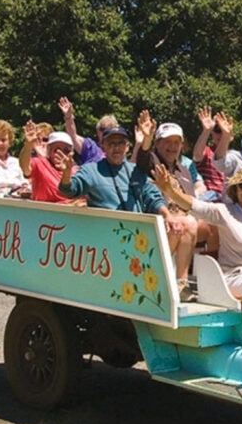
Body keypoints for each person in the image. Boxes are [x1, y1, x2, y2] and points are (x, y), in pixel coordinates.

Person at [58, 126, 195, 302]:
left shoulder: (134, 171)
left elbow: (152, 197)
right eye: (111, 143)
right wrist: (67, 174)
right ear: (103, 147)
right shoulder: (91, 170)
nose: (117, 148)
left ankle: (180, 284)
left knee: (187, 224)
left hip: (139, 235)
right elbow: (70, 190)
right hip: (110, 239)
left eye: (121, 143)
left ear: (128, 147)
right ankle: (153, 283)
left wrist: (167, 215)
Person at [153, 164, 242, 303]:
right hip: (236, 277)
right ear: (235, 190)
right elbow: (194, 205)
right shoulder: (223, 212)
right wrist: (171, 191)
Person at [134, 111, 204, 284]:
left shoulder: (184, 170)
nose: (172, 146)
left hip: (184, 219)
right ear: (157, 144)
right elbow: (142, 155)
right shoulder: (151, 161)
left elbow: (190, 200)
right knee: (188, 224)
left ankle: (215, 280)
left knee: (217, 226)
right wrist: (146, 138)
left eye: (176, 142)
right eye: (167, 142)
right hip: (158, 220)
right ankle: (180, 281)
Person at [18, 122, 85, 205]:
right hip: (46, 213)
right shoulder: (40, 163)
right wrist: (28, 144)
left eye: (66, 150)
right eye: (56, 149)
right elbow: (25, 167)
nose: (61, 153)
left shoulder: (77, 171)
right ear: (49, 150)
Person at [58, 96, 118, 164]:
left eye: (110, 129)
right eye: (102, 129)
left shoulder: (120, 151)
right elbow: (72, 136)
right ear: (98, 131)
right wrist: (68, 117)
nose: (106, 132)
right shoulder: (91, 147)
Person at [192, 106, 226, 195]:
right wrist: (207, 130)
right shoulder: (207, 152)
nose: (221, 134)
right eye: (217, 130)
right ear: (212, 133)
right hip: (210, 200)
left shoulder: (236, 158)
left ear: (232, 136)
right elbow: (197, 155)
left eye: (224, 131)